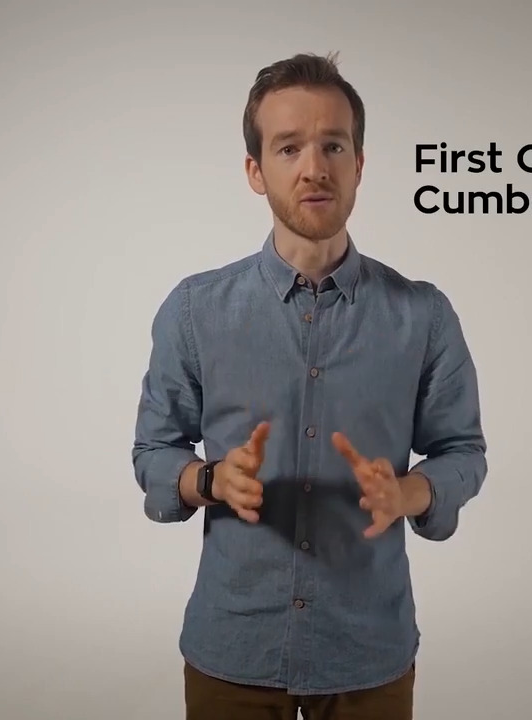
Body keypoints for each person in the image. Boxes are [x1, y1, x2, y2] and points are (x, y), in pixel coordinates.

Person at [131, 51, 488, 720]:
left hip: (367, 652)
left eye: (333, 145)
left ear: (360, 164)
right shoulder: (194, 311)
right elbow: (152, 451)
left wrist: (409, 492)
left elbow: (463, 452)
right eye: (289, 147)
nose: (314, 167)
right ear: (255, 171)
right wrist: (210, 480)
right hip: (234, 648)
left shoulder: (424, 315)